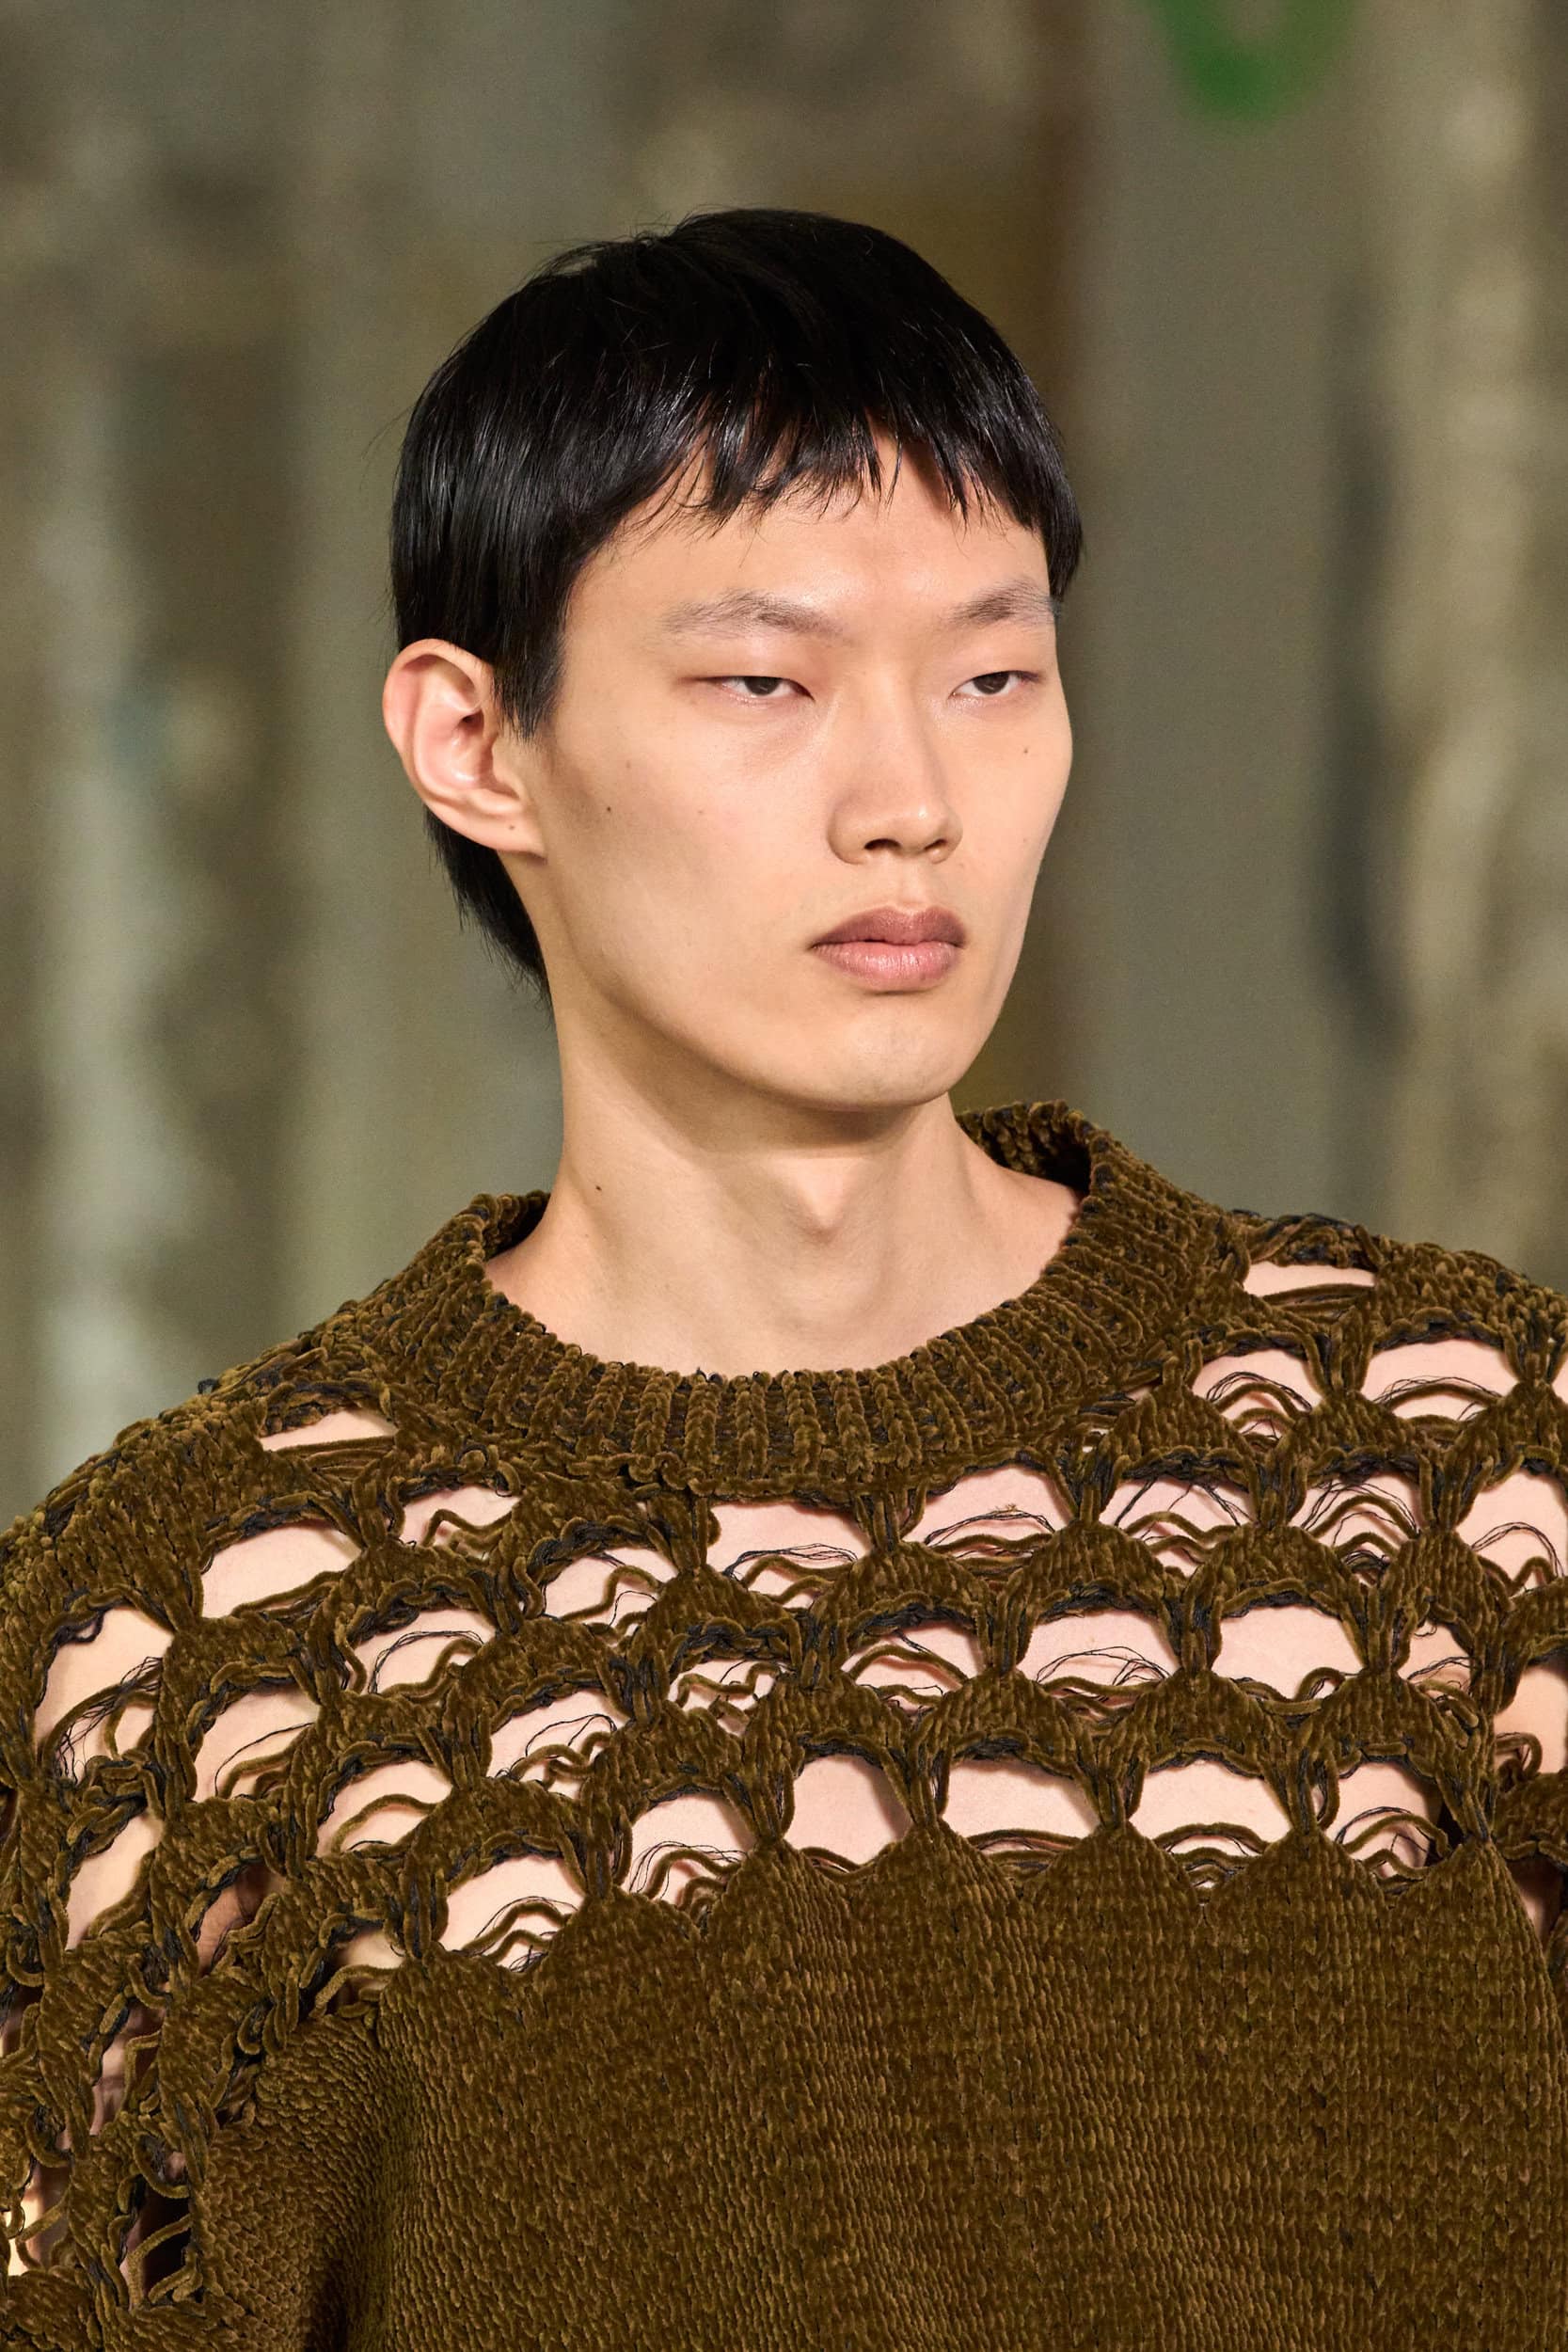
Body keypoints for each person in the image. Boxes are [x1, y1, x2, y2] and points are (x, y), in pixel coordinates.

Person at [3, 206, 1566, 2352]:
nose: (911, 800)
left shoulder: (1460, 1469)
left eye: (994, 676)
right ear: (476, 742)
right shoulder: (186, 1637)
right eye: (766, 681)